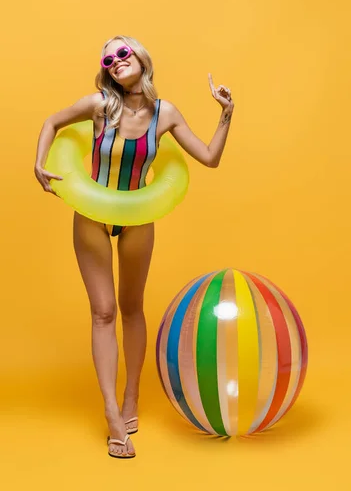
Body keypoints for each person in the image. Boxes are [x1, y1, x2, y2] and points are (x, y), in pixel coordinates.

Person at [34, 35, 234, 458]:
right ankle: (111, 414)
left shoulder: (166, 114)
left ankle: (131, 397)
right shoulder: (98, 106)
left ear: (142, 59)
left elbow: (210, 157)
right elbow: (52, 122)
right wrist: (39, 164)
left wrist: (226, 115)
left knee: (131, 307)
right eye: (108, 59)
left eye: (122, 53)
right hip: (92, 214)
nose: (115, 61)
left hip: (137, 218)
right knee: (103, 312)